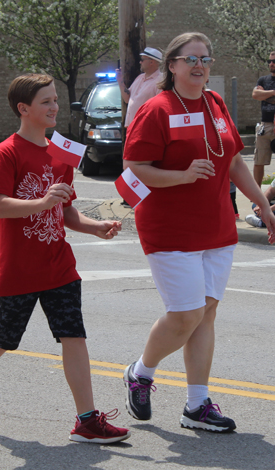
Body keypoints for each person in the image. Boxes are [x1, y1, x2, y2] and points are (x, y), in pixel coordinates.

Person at [0, 73, 130, 444]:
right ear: (24, 109)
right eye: (46, 101)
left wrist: (96, 226)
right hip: (21, 267)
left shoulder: (61, 152)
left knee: (73, 335)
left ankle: (86, 420)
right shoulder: (7, 151)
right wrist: (41, 201)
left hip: (58, 264)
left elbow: (66, 212)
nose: (54, 107)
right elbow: (0, 207)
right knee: (4, 336)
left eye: (54, 100)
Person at [121, 32, 275, 433]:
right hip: (170, 228)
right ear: (172, 66)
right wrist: (182, 175)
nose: (199, 66)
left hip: (217, 226)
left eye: (205, 59)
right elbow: (136, 165)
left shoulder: (215, 103)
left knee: (206, 313)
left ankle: (196, 405)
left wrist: (261, 202)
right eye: (190, 59)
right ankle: (141, 372)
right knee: (186, 313)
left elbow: (235, 162)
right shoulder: (157, 109)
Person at [116, 46, 163, 128]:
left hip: (146, 128)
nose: (140, 62)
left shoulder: (161, 80)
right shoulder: (140, 77)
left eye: (142, 60)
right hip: (132, 127)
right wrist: (120, 81)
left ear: (151, 62)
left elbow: (160, 107)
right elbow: (127, 99)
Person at [252, 51, 275, 187]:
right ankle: (256, 191)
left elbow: (261, 95)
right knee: (258, 160)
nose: (271, 64)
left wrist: (264, 94)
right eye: (269, 61)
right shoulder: (263, 80)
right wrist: (273, 93)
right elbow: (255, 94)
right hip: (265, 126)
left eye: (274, 61)